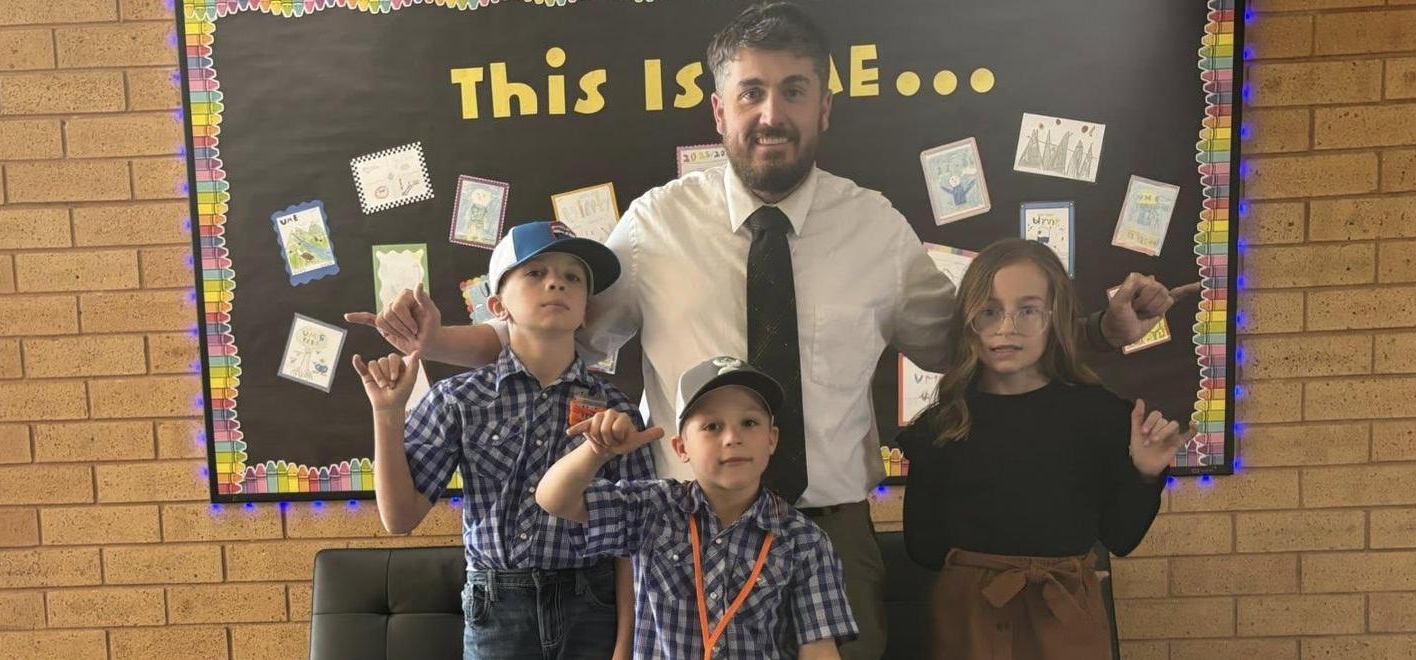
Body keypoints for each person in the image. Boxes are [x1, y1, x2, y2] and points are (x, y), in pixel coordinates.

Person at [348, 5, 1191, 657]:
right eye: (750, 92)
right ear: (719, 111)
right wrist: (435, 343)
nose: (771, 112)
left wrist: (1102, 328)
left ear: (825, 106)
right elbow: (550, 327)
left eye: (792, 90)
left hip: (830, 527)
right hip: (680, 527)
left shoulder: (876, 227)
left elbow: (969, 341)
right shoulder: (653, 227)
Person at [355, 221, 655, 660]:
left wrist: (628, 642)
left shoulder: (616, 412)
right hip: (497, 607)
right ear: (498, 305)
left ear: (585, 310)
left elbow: (633, 542)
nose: (556, 282)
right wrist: (387, 413)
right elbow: (399, 518)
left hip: (594, 603)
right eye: (535, 273)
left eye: (573, 277)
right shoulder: (459, 400)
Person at [899, 239, 1185, 660]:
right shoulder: (939, 427)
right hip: (970, 626)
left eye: (1028, 310)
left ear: (1058, 319)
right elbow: (922, 547)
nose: (1006, 326)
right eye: (989, 310)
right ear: (968, 321)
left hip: (1066, 620)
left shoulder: (1102, 416)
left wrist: (1144, 475)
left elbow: (1121, 538)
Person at [536, 357, 857, 659]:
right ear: (681, 447)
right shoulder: (653, 508)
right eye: (712, 427)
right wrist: (597, 453)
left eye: (749, 422)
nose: (732, 437)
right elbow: (554, 499)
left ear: (772, 440)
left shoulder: (803, 540)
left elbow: (819, 649)